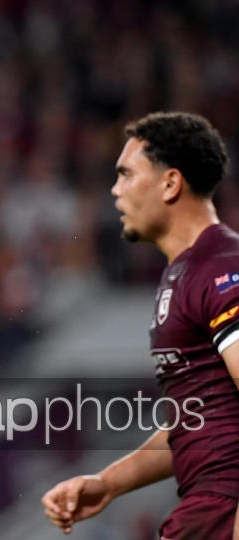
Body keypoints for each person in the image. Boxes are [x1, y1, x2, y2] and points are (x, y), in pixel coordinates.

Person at [41, 111, 239, 539]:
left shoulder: (223, 269)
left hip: (222, 511)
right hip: (204, 511)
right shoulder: (186, 272)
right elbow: (195, 421)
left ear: (170, 184)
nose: (115, 190)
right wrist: (109, 484)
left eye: (127, 174)